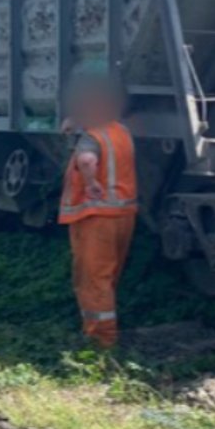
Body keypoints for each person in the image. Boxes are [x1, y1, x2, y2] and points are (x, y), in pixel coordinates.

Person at [58, 74, 138, 349]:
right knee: (109, 274)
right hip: (123, 215)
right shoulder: (121, 132)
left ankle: (100, 339)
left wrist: (91, 183)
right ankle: (104, 330)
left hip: (95, 217)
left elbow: (87, 159)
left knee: (93, 278)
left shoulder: (91, 138)